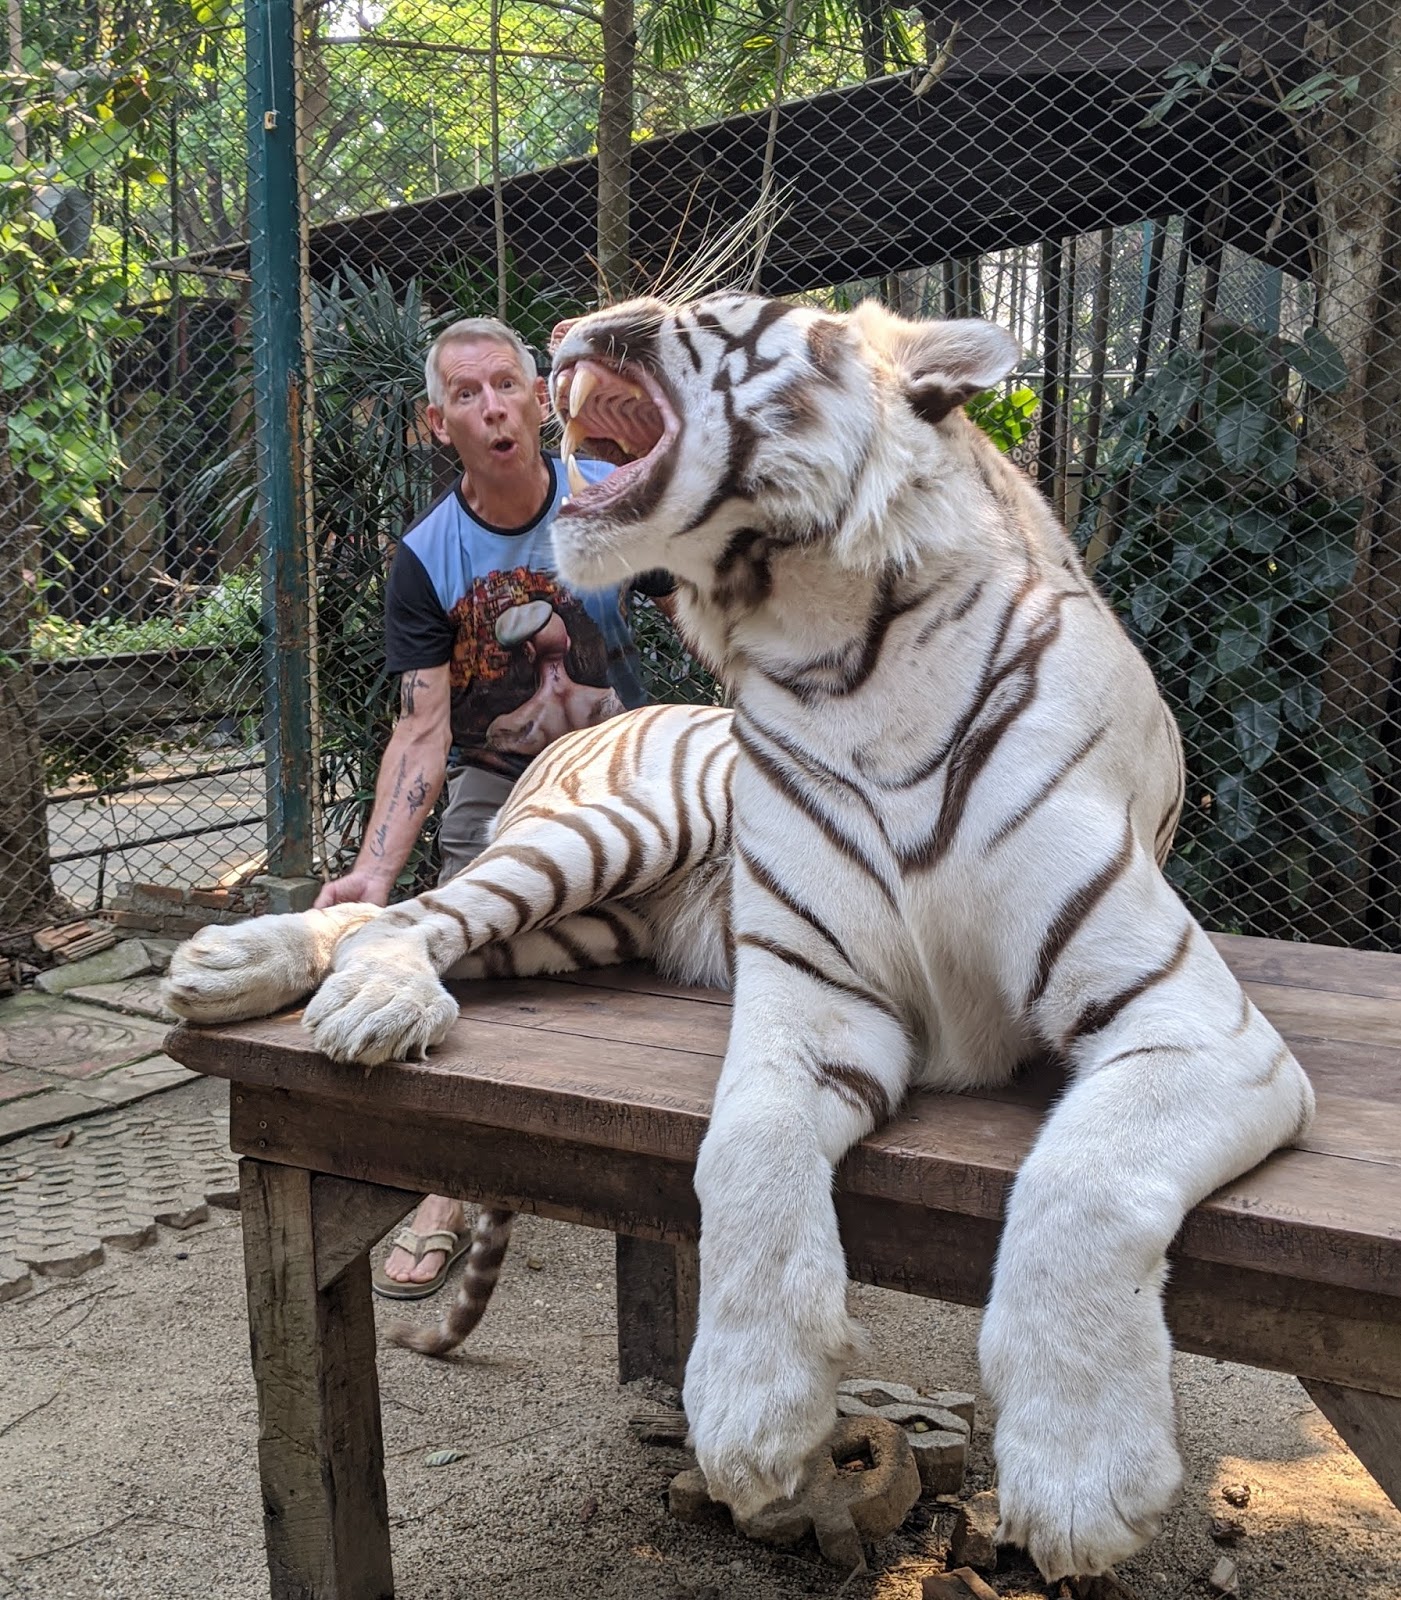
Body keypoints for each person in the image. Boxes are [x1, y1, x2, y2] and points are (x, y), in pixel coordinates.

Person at [315, 315, 671, 1298]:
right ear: (440, 421)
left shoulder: (610, 499)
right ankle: (447, 1184)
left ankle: (689, 1164)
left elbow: (709, 612)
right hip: (497, 780)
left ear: (540, 396)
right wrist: (376, 873)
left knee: (683, 950)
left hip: (620, 765)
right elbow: (422, 729)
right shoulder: (428, 558)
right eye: (467, 395)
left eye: (506, 384)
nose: (492, 406)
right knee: (454, 948)